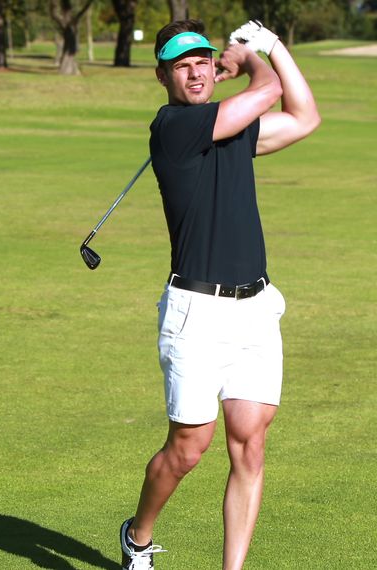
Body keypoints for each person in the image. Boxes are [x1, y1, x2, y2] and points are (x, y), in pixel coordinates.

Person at [119, 19, 320, 570]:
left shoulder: (234, 130)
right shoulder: (173, 127)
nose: (195, 72)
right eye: (181, 65)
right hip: (196, 312)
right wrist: (249, 55)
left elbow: (306, 116)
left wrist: (273, 46)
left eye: (202, 62)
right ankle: (138, 535)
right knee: (189, 448)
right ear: (163, 76)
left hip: (255, 308)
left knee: (249, 444)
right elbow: (269, 90)